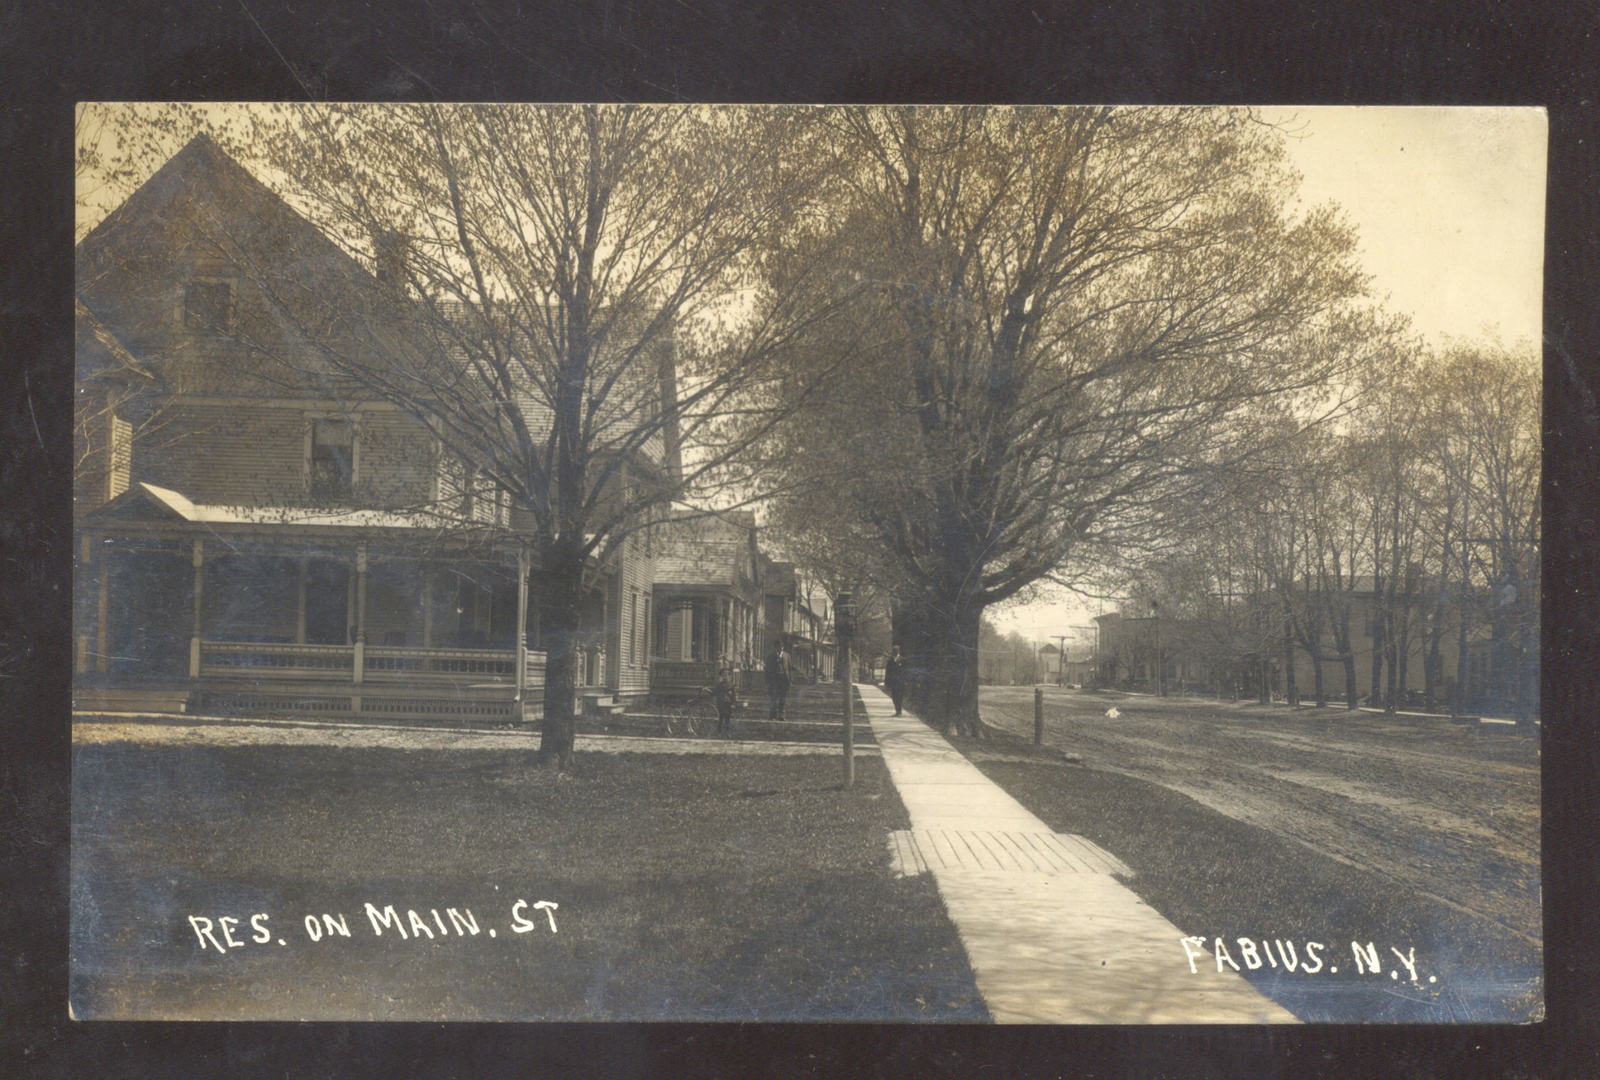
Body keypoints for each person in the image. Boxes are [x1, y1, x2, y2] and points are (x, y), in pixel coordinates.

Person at [765, 635, 791, 721]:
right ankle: (773, 716)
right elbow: (767, 670)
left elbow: (789, 669)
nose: (781, 648)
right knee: (773, 698)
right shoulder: (771, 656)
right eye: (779, 646)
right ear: (775, 647)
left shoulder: (787, 656)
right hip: (774, 680)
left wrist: (790, 681)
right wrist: (767, 681)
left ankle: (782, 716)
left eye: (782, 646)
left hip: (784, 680)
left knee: (782, 699)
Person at [709, 667, 737, 737]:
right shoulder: (719, 685)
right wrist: (713, 697)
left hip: (728, 704)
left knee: (727, 719)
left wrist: (733, 703)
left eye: (726, 675)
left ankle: (727, 732)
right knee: (720, 719)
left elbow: (734, 695)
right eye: (723, 676)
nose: (725, 677)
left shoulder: (732, 685)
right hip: (720, 704)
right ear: (721, 677)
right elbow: (714, 693)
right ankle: (719, 732)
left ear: (729, 676)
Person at [884, 645, 908, 716]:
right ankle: (897, 711)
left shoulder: (903, 660)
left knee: (900, 697)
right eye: (894, 651)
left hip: (901, 682)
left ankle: (899, 712)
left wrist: (906, 681)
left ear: (899, 651)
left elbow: (906, 671)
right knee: (894, 696)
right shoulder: (890, 661)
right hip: (893, 682)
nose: (895, 652)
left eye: (896, 651)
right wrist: (887, 682)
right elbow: (888, 672)